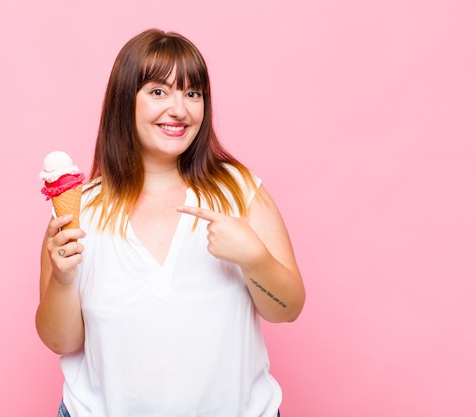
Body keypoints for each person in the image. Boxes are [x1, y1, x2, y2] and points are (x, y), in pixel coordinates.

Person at [35, 28, 305, 417]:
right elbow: (61, 340)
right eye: (159, 91)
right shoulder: (81, 211)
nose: (180, 109)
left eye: (192, 93)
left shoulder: (239, 191)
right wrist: (62, 279)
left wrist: (255, 259)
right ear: (124, 102)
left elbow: (287, 309)